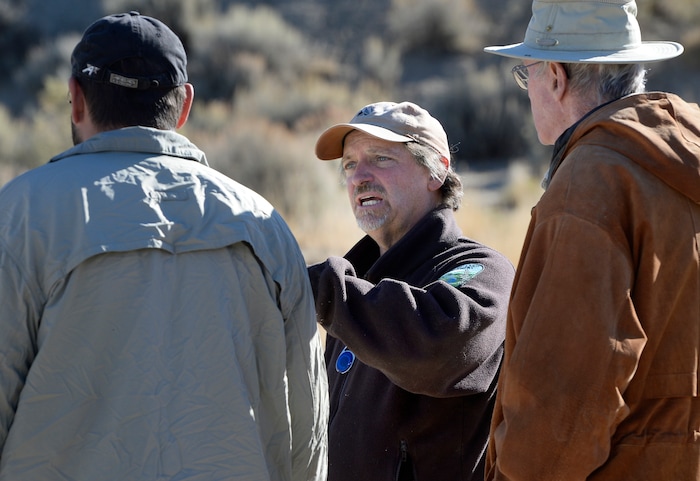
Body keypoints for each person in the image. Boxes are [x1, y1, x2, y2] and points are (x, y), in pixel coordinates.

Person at [0, 12, 328, 480]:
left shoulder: (20, 214)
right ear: (184, 105)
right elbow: (307, 421)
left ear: (75, 98)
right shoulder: (264, 225)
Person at [483, 1, 700, 479]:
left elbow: (559, 409)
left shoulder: (590, 184)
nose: (527, 89)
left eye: (526, 73)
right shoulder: (682, 159)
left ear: (555, 77)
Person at [307, 101, 515, 480]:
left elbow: (434, 344)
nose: (359, 177)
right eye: (349, 165)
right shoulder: (356, 286)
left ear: (437, 172)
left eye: (381, 159)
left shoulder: (482, 270)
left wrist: (324, 291)